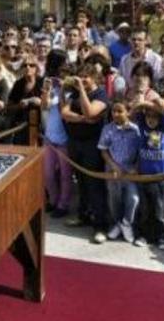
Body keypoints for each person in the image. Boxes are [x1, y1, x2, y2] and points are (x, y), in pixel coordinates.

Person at [61, 64, 110, 244]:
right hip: (76, 142)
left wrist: (81, 90)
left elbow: (91, 111)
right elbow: (65, 113)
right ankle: (83, 216)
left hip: (93, 145)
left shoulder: (101, 95)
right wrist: (82, 119)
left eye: (85, 77)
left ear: (95, 78)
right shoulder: (73, 94)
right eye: (79, 76)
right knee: (81, 181)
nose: (81, 80)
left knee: (94, 184)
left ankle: (100, 225)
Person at [97, 101, 141, 244]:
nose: (115, 114)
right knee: (114, 199)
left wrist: (136, 166)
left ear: (128, 112)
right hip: (113, 170)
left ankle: (126, 223)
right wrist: (113, 166)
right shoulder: (107, 129)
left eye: (120, 111)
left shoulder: (136, 130)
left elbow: (142, 151)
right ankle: (117, 223)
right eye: (113, 111)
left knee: (133, 199)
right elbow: (103, 150)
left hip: (130, 171)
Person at [134, 100, 164, 249]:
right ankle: (145, 236)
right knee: (145, 211)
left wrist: (157, 105)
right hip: (145, 178)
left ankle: (163, 237)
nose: (151, 119)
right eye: (148, 116)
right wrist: (144, 103)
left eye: (155, 117)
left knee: (161, 212)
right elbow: (135, 111)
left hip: (163, 179)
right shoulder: (142, 129)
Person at [41, 50, 72, 218]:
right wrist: (46, 91)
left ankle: (63, 204)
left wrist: (62, 88)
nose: (65, 67)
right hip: (50, 135)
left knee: (66, 175)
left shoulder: (69, 84)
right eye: (63, 64)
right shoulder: (48, 82)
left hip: (65, 138)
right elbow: (44, 106)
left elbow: (65, 109)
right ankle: (53, 200)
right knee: (48, 174)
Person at [7, 54, 43, 145]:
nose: (28, 67)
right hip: (21, 127)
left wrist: (40, 102)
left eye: (31, 65)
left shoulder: (42, 82)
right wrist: (19, 105)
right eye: (25, 65)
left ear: (36, 68)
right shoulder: (18, 84)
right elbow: (9, 107)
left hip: (41, 127)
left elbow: (51, 104)